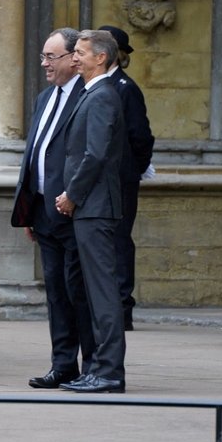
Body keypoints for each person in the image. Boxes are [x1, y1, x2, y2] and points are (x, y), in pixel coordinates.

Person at [11, 28, 95, 390]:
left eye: (51, 56)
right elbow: (35, 153)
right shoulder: (46, 98)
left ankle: (93, 364)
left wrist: (74, 196)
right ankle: (63, 364)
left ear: (73, 58)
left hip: (75, 210)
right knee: (56, 293)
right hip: (45, 210)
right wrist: (29, 206)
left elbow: (97, 155)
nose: (44, 63)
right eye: (43, 56)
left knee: (81, 292)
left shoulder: (88, 95)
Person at [54, 29, 126, 393]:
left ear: (101, 57)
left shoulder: (101, 95)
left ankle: (109, 371)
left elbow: (95, 154)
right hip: (91, 206)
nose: (75, 57)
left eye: (81, 52)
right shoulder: (93, 92)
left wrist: (72, 195)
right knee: (90, 290)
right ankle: (97, 367)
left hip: (95, 206)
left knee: (102, 293)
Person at [99, 25, 155, 331]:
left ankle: (122, 307)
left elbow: (141, 137)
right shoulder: (96, 85)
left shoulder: (124, 87)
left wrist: (130, 170)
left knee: (119, 240)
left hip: (119, 180)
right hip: (101, 182)